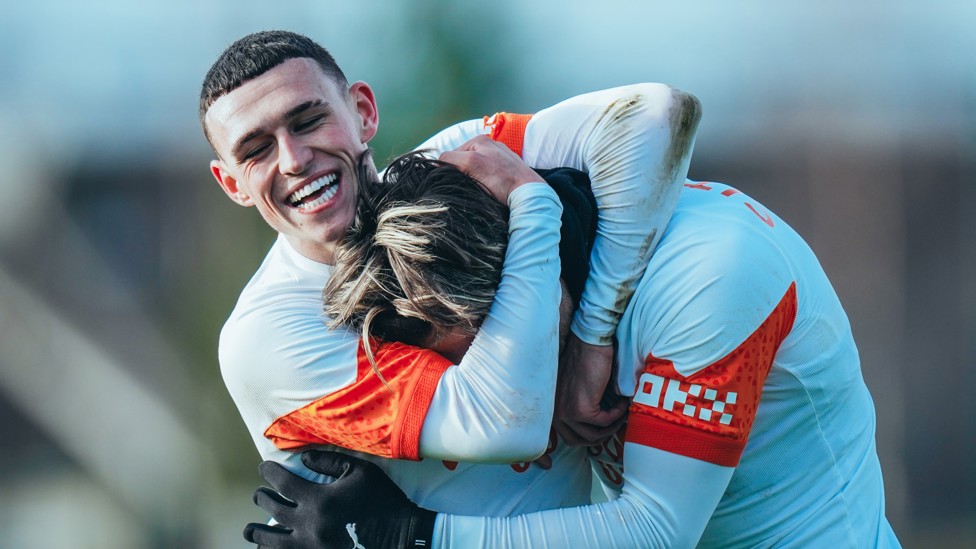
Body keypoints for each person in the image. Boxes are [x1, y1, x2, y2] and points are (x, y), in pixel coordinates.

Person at [247, 155, 902, 547]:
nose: (499, 390)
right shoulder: (556, 253)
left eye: (492, 354)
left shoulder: (711, 275)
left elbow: (655, 530)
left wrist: (413, 533)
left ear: (530, 284)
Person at [200, 29, 700, 538]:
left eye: (308, 121)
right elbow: (508, 422)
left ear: (363, 112)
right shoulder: (269, 334)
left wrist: (593, 333)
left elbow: (658, 115)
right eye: (256, 150)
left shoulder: (454, 167)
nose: (293, 159)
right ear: (232, 183)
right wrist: (533, 205)